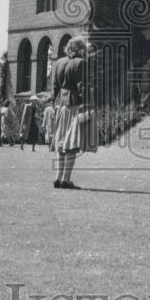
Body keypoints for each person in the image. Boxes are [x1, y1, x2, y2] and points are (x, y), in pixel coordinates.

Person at [51, 35, 94, 190]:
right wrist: (88, 103)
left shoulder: (59, 62)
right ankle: (66, 179)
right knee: (72, 143)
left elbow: (54, 86)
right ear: (80, 49)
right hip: (75, 104)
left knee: (61, 142)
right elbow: (83, 86)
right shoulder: (81, 63)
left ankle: (58, 177)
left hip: (60, 104)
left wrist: (53, 103)